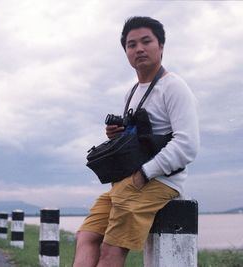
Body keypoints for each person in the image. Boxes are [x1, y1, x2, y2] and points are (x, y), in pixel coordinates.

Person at [73, 16, 200, 267]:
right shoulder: (132, 92)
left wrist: (144, 174)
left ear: (161, 46)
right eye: (131, 45)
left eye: (146, 41)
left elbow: (187, 145)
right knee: (86, 235)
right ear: (126, 52)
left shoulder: (174, 87)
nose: (139, 49)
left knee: (111, 249)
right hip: (128, 180)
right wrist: (118, 136)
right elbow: (141, 139)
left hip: (157, 181)